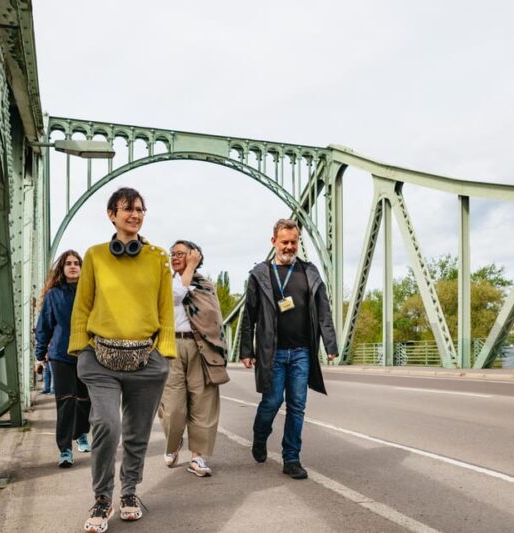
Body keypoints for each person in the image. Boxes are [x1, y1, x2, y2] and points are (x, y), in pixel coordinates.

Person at [69, 187, 174, 532]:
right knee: (106, 425)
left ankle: (129, 493)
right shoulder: (95, 255)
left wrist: (164, 353)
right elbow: (82, 306)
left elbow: (165, 309)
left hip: (146, 359)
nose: (135, 215)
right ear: (111, 214)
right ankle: (102, 498)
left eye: (140, 209)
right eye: (128, 209)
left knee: (136, 433)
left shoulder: (158, 257)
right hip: (100, 358)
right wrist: (80, 349)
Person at [240, 218, 338, 480]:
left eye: (293, 242)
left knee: (297, 406)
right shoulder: (261, 274)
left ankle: (291, 458)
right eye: (284, 242)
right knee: (272, 402)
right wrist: (246, 350)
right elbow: (249, 315)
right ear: (274, 241)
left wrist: (330, 343)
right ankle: (260, 435)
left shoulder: (309, 272)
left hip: (302, 352)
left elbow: (324, 311)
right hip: (272, 352)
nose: (289, 247)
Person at [158, 240, 227, 477]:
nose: (174, 257)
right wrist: (187, 269)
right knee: (173, 407)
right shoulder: (164, 282)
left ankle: (197, 457)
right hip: (170, 346)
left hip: (201, 346)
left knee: (203, 403)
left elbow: (215, 320)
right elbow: (174, 297)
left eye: (180, 253)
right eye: (172, 254)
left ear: (195, 255)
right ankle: (174, 440)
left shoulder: (205, 286)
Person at [34, 250, 91, 467]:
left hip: (88, 353)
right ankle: (65, 449)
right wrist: (40, 354)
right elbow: (44, 325)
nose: (73, 266)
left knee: (86, 400)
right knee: (66, 402)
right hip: (61, 354)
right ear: (62, 268)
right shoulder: (54, 295)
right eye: (68, 263)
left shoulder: (91, 292)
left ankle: (80, 433)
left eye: (77, 263)